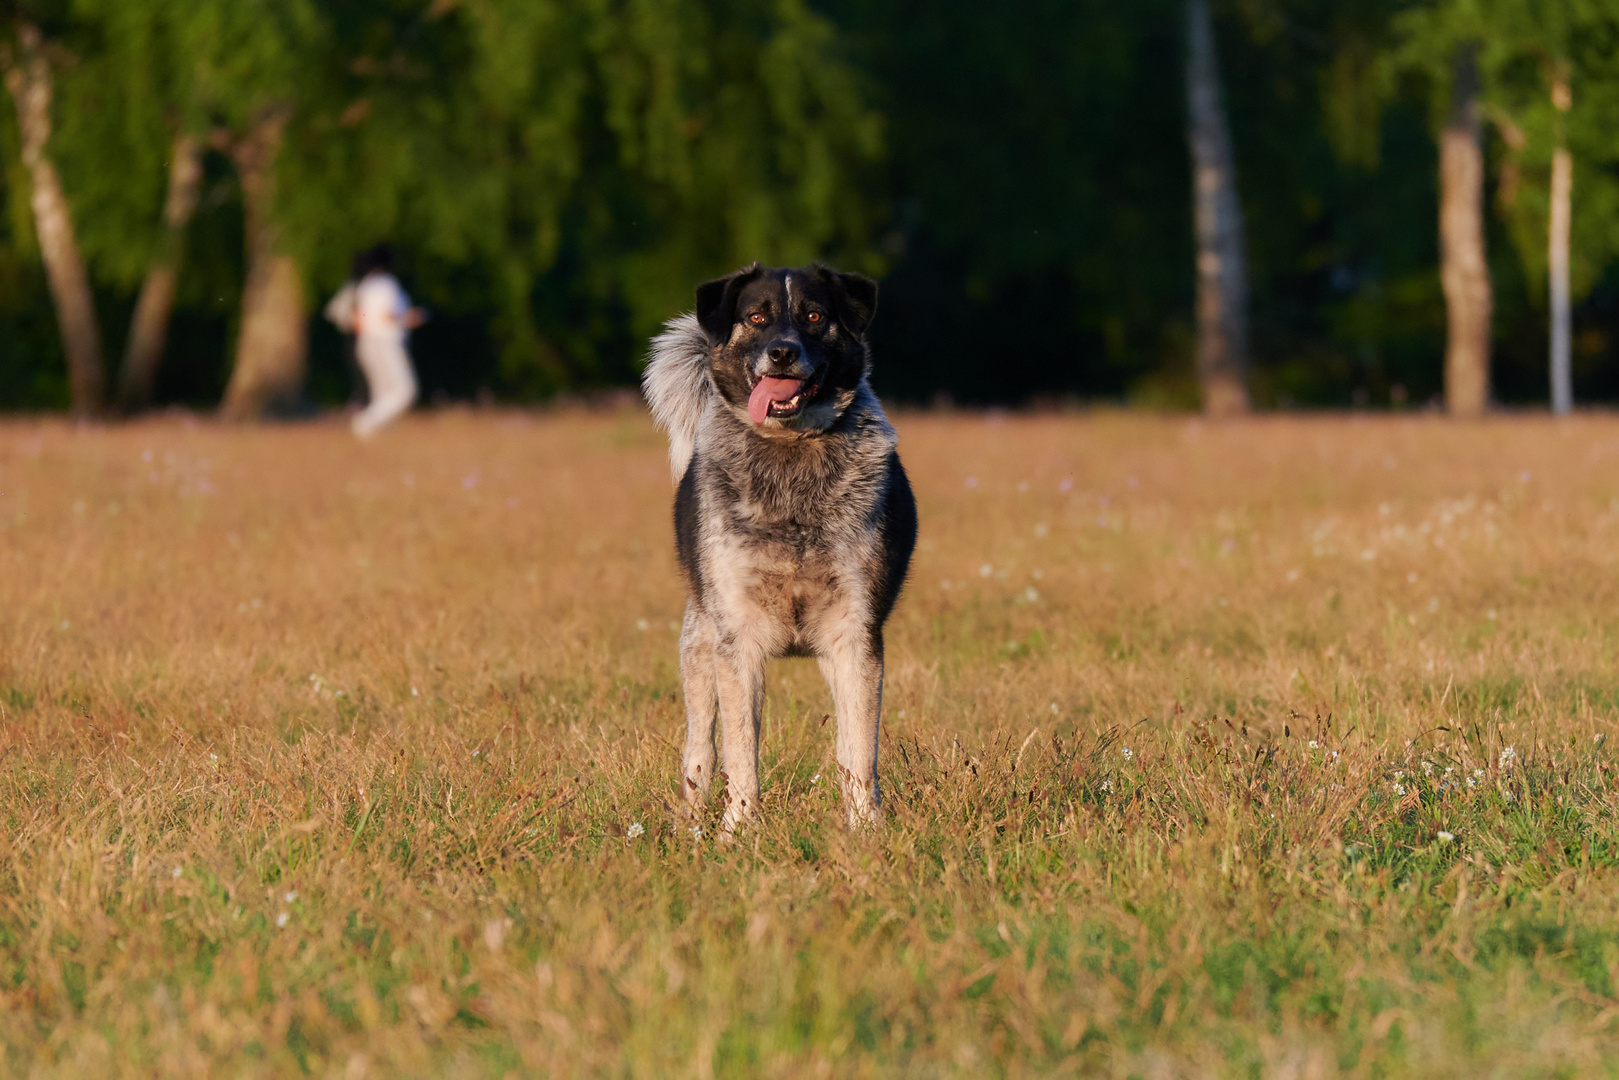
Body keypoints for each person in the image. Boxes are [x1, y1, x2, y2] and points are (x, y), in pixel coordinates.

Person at [324, 245, 424, 438]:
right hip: (386, 343)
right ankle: (364, 423)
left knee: (382, 393)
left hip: (366, 343)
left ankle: (378, 436)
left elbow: (347, 316)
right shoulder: (387, 284)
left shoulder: (361, 285)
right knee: (405, 391)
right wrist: (410, 318)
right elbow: (388, 315)